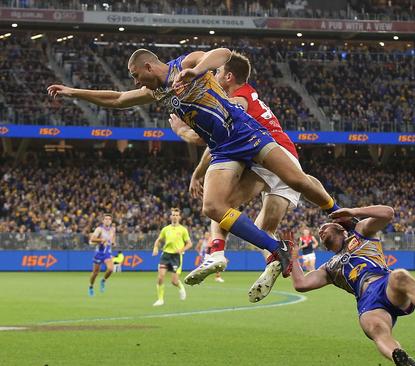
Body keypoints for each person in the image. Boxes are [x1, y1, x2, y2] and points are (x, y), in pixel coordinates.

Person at [47, 47, 342, 285]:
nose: (136, 82)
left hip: (246, 133)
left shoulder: (183, 65)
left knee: (298, 181)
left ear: (149, 67)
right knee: (212, 207)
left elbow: (223, 53)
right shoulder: (157, 92)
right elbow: (118, 98)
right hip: (222, 149)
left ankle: (339, 214)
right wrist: (73, 92)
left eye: (136, 75)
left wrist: (197, 70)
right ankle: (276, 248)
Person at [169, 52, 327, 302]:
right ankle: (275, 263)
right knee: (263, 230)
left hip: (268, 154)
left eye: (218, 73)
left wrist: (182, 132)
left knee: (222, 206)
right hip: (288, 155)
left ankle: (216, 253)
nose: (215, 76)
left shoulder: (235, 100)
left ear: (229, 76)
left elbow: (212, 140)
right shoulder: (252, 96)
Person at [290, 205, 415, 366]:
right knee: (374, 327)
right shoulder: (328, 268)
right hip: (367, 302)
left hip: (384, 283)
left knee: (399, 275)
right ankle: (401, 358)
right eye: (319, 232)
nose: (320, 230)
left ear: (341, 228)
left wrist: (353, 212)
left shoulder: (361, 232)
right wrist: (293, 258)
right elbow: (301, 283)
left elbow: (388, 213)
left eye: (325, 226)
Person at [151, 208, 193, 306]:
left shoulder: (183, 230)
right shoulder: (166, 229)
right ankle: (160, 299)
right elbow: (158, 240)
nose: (174, 217)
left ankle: (181, 287)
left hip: (176, 257)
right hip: (166, 255)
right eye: (173, 215)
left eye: (176, 215)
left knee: (174, 281)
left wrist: (182, 250)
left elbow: (189, 244)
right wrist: (155, 248)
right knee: (160, 277)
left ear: (179, 217)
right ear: (170, 217)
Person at [88, 213, 116, 296]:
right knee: (95, 273)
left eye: (109, 219)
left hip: (107, 253)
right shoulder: (99, 229)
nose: (107, 220)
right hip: (99, 253)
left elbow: (113, 238)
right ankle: (91, 286)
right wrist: (101, 240)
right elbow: (92, 239)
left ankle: (103, 280)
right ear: (103, 221)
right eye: (106, 219)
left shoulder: (112, 229)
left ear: (111, 221)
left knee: (111, 269)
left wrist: (113, 242)